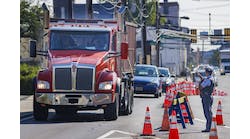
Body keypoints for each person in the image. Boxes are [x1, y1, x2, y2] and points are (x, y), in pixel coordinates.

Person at [198, 67, 215, 132]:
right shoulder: (210, 78)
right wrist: (201, 78)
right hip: (208, 97)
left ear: (208, 72)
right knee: (208, 112)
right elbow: (205, 81)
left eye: (206, 72)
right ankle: (209, 127)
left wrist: (200, 82)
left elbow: (201, 86)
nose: (205, 73)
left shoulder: (208, 80)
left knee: (207, 112)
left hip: (206, 97)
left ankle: (208, 128)